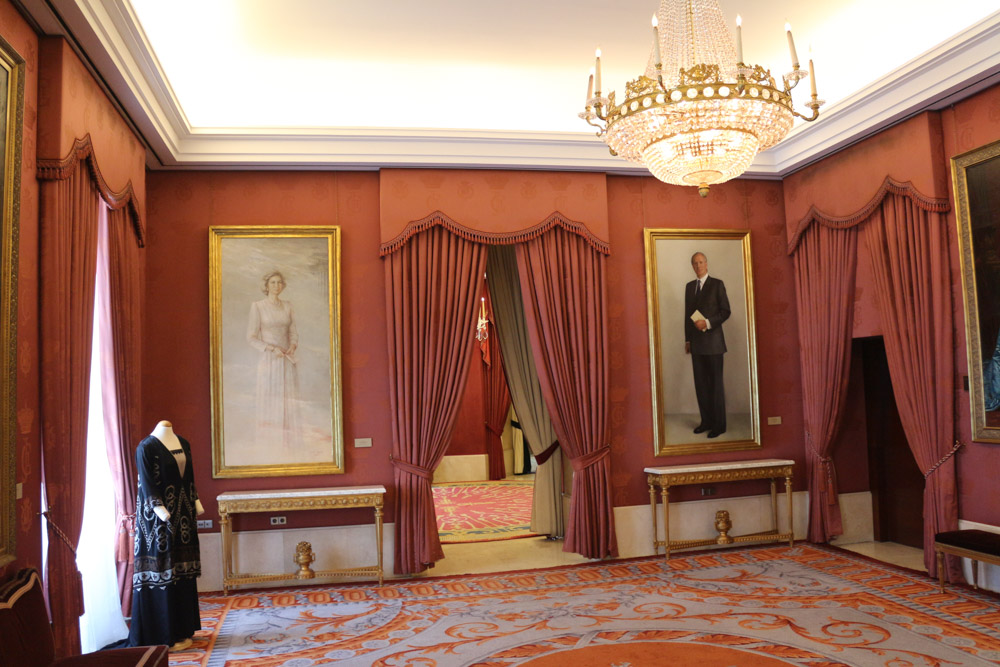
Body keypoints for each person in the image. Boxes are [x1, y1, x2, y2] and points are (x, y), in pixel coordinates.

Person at [129, 420, 203, 651]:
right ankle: (163, 632)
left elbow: (189, 477)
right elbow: (147, 483)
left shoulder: (183, 443)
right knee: (164, 571)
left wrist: (196, 501)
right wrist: (159, 509)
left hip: (184, 514)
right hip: (156, 520)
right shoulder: (146, 448)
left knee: (182, 569)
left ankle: (183, 628)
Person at [247, 270, 301, 449]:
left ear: (283, 286)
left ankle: (288, 444)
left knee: (287, 400)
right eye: (273, 283)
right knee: (271, 398)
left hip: (287, 360)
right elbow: (251, 337)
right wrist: (271, 348)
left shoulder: (288, 306)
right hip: (269, 360)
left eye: (279, 282)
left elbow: (293, 332)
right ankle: (270, 444)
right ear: (266, 286)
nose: (276, 286)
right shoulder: (258, 306)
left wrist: (292, 346)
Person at [684, 252, 730, 438]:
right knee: (701, 385)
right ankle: (706, 421)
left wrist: (708, 323)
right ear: (692, 266)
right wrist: (687, 339)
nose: (698, 265)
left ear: (707, 264)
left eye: (701, 262)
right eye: (695, 263)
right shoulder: (689, 287)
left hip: (714, 344)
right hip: (696, 345)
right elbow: (687, 315)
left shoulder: (717, 284)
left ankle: (719, 426)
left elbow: (725, 311)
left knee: (715, 386)